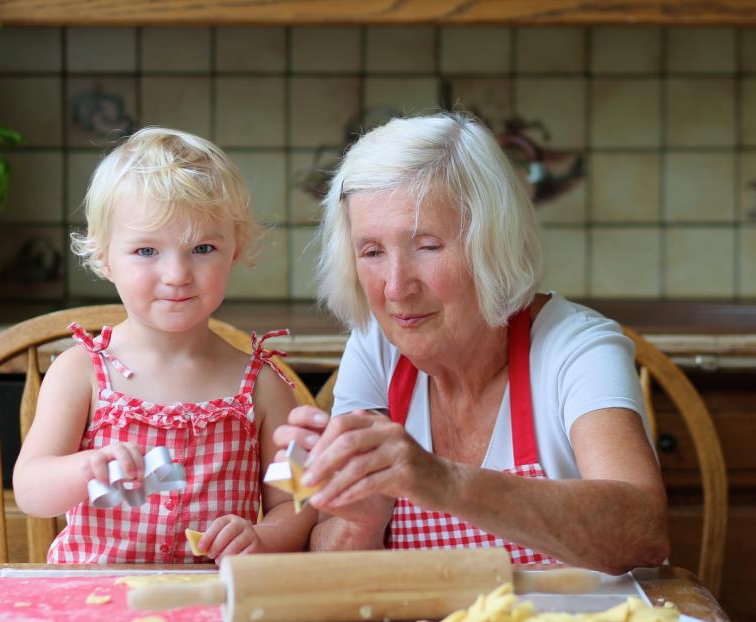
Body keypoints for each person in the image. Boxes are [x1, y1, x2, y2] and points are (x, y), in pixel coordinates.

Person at [274, 113, 669, 574]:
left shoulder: (575, 348)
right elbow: (329, 562)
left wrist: (442, 481)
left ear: (492, 243)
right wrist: (359, 523)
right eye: (372, 252)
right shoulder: (376, 349)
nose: (396, 288)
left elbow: (643, 532)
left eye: (427, 245)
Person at [14, 127, 315, 564]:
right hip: (94, 604)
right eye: (146, 251)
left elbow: (298, 499)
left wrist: (264, 537)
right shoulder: (79, 372)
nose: (176, 273)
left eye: (203, 247)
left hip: (212, 604)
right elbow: (29, 489)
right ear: (103, 257)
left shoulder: (263, 384)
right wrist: (86, 469)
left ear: (235, 251)